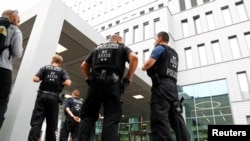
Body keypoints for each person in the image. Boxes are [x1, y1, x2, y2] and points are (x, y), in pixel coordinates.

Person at [78, 34, 138, 141]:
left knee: (88, 115)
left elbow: (83, 65)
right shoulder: (122, 47)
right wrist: (129, 77)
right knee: (111, 117)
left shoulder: (96, 48)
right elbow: (134, 57)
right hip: (113, 83)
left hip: (95, 83)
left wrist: (89, 79)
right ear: (118, 41)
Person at [141, 31, 190, 141]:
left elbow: (149, 63)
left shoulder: (159, 48)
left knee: (160, 118)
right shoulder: (174, 53)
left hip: (161, 86)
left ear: (159, 39)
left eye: (155, 39)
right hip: (173, 88)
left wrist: (143, 67)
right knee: (176, 118)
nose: (154, 41)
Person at [28, 54, 72, 141]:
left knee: (37, 121)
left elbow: (35, 79)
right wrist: (60, 82)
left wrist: (44, 78)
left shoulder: (45, 68)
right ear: (60, 63)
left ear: (52, 61)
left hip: (42, 96)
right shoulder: (62, 71)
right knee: (52, 123)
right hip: (54, 97)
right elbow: (68, 83)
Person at [0, 9, 23, 130]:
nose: (19, 22)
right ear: (12, 16)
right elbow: (17, 53)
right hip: (4, 70)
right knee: (1, 104)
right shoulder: (15, 30)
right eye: (18, 20)